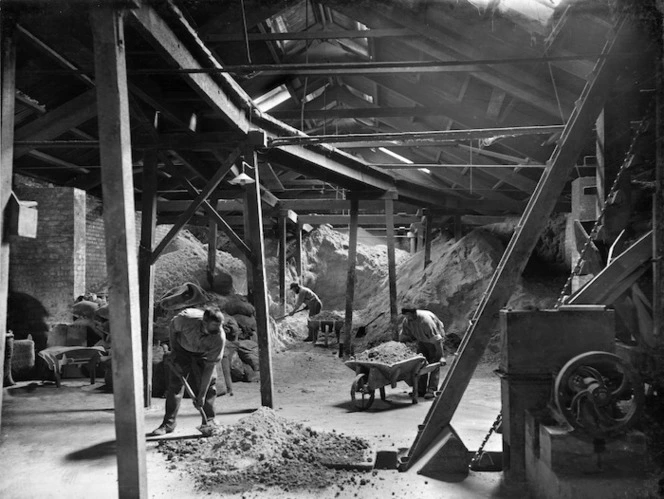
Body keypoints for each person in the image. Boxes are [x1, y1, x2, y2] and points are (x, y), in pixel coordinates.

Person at [152, 307, 226, 435]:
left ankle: (209, 421)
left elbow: (209, 366)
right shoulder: (186, 320)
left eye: (220, 325)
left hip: (204, 353)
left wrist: (201, 395)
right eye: (215, 325)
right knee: (174, 386)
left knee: (210, 386)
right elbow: (173, 328)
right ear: (204, 322)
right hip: (182, 349)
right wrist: (174, 351)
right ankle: (168, 424)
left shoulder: (219, 337)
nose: (218, 328)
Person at [398, 307, 447, 400]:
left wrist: (441, 357)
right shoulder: (407, 321)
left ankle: (432, 390)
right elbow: (404, 335)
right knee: (420, 364)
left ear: (414, 313)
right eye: (405, 316)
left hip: (434, 341)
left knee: (434, 364)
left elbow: (437, 341)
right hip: (422, 340)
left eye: (408, 315)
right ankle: (420, 390)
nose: (407, 317)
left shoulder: (426, 322)